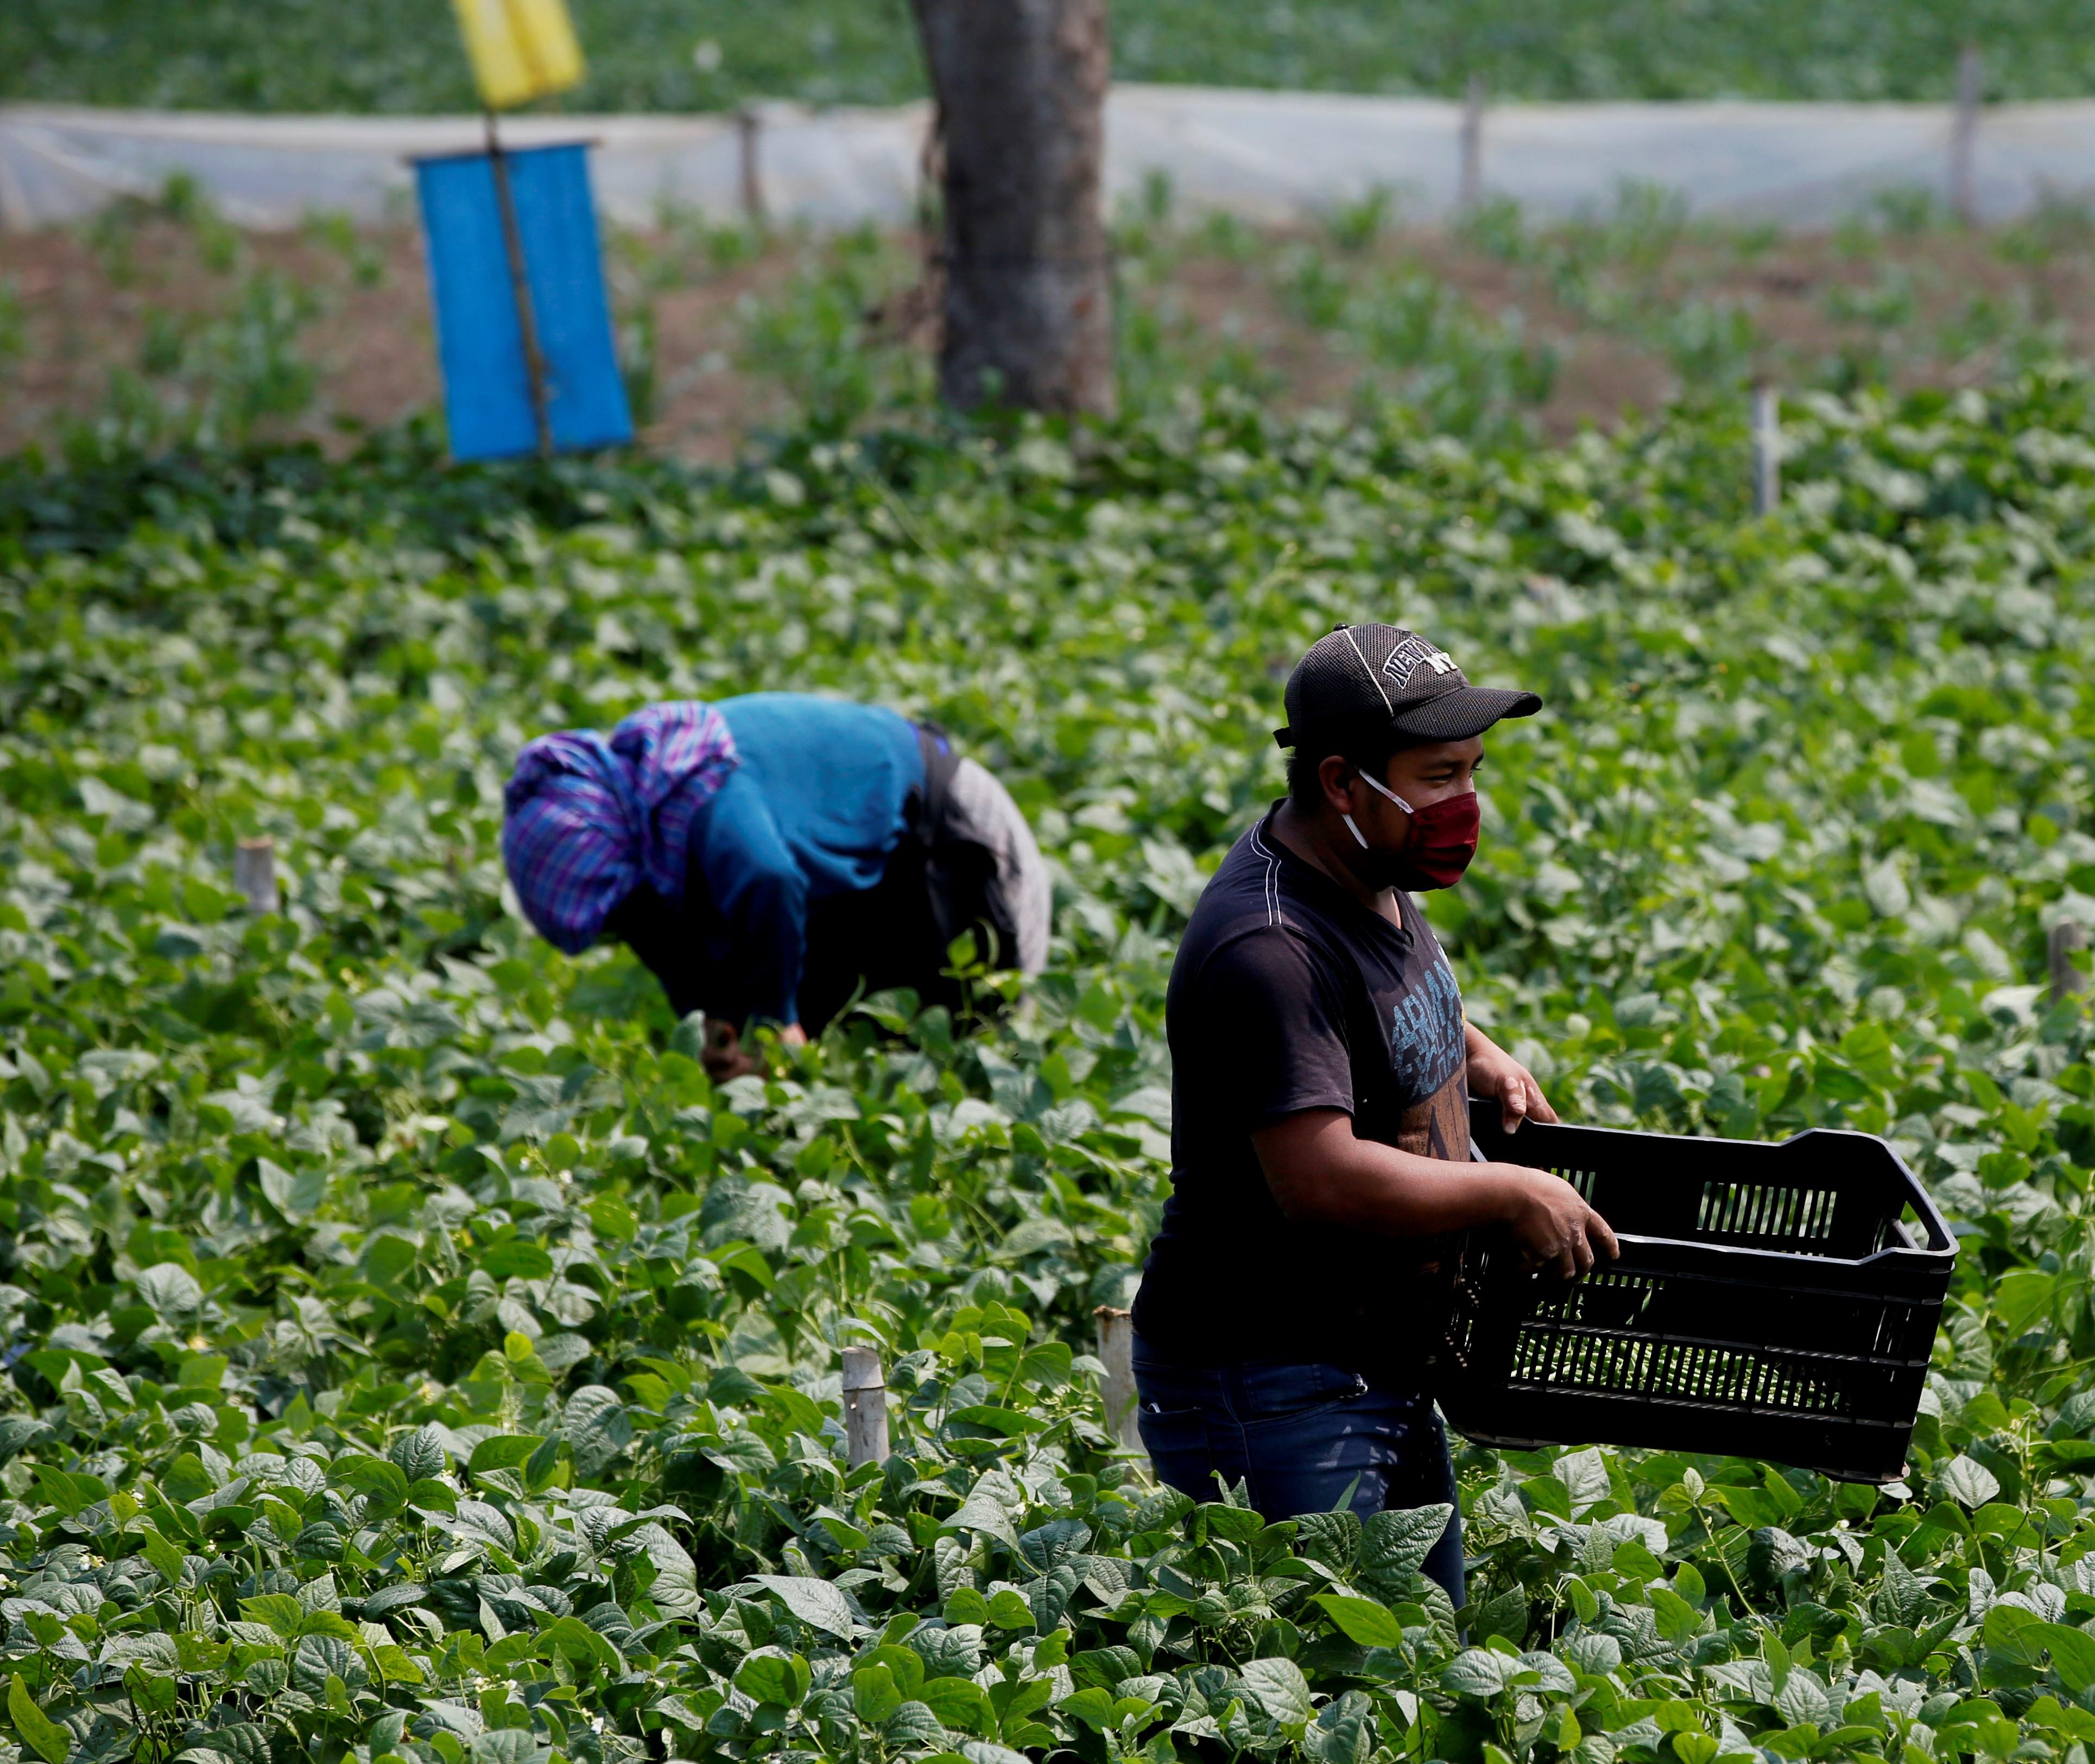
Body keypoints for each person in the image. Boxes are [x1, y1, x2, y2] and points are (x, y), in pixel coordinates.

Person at [1130, 623, 1614, 1606]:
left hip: (1372, 1359)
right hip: (1273, 1380)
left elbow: (1384, 997)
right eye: (1438, 776)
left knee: (1416, 1668)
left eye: (1474, 771)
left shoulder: (1368, 871)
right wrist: (1508, 1190)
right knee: (1323, 1698)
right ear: (1344, 783)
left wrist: (1475, 1055)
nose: (1466, 803)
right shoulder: (1268, 946)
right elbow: (1319, 1179)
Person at [500, 693, 1052, 1077]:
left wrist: (774, 1020)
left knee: (967, 1051)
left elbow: (769, 880)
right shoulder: (645, 833)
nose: (628, 930)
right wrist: (724, 1025)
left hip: (966, 848)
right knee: (852, 1059)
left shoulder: (694, 778)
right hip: (883, 883)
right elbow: (674, 948)